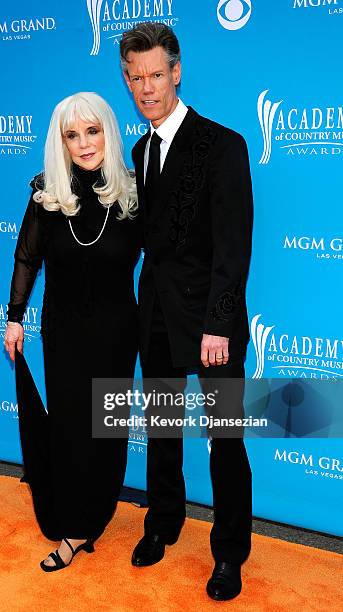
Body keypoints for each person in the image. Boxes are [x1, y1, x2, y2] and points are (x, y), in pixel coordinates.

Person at [120, 23, 253, 601]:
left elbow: (234, 245)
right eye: (134, 78)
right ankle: (163, 523)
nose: (146, 88)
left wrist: (220, 324)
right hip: (155, 314)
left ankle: (229, 553)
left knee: (224, 437)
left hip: (210, 323)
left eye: (155, 75)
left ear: (177, 72)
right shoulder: (140, 148)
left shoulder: (222, 144)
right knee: (163, 428)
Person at [4, 92, 141, 572]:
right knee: (69, 429)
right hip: (63, 332)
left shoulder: (132, 190)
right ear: (59, 141)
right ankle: (74, 525)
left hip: (118, 333)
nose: (84, 143)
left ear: (108, 130)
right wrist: (15, 316)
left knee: (106, 430)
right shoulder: (47, 192)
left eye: (92, 130)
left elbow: (168, 257)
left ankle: (92, 518)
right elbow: (26, 257)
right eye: (71, 134)